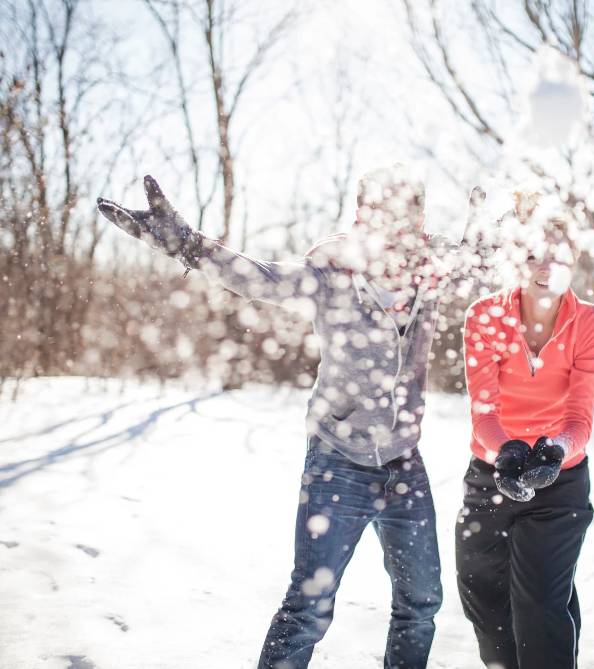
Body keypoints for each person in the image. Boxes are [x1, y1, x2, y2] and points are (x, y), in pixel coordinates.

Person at [96, 165, 468, 669]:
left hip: (404, 462)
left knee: (422, 604)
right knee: (309, 610)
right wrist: (188, 245)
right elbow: (258, 279)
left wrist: (507, 224)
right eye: (385, 214)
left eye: (408, 215)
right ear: (364, 218)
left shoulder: (432, 272)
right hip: (339, 460)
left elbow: (487, 257)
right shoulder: (332, 275)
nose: (396, 228)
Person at [456, 191, 594, 669]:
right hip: (492, 473)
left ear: (576, 258)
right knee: (483, 596)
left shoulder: (589, 325)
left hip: (559, 478)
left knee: (540, 602)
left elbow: (579, 419)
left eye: (558, 255)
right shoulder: (485, 317)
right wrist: (505, 452)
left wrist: (554, 451)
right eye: (531, 254)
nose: (544, 267)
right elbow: (485, 411)